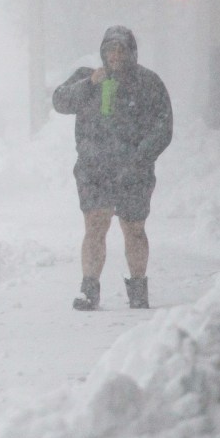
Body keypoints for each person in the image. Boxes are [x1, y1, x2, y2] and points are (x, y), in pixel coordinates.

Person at [52, 25, 173, 310]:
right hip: (94, 169)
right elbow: (60, 101)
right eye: (110, 49)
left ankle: (139, 288)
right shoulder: (88, 78)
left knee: (134, 229)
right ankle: (89, 290)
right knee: (95, 226)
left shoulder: (148, 82)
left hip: (134, 172)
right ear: (103, 52)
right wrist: (90, 83)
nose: (116, 55)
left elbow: (163, 126)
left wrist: (140, 157)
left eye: (121, 49)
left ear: (132, 52)